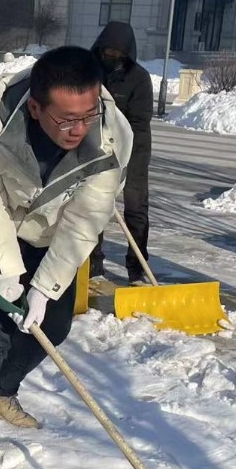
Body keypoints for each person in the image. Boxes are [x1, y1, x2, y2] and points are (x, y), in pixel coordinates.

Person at [0, 46, 132, 469]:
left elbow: (84, 223)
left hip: (56, 239)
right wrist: (8, 274)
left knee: (54, 324)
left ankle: (2, 390)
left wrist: (44, 288)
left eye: (87, 115)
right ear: (35, 107)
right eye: (65, 120)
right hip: (3, 229)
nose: (78, 129)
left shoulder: (110, 141)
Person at [88, 22, 153, 282]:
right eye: (106, 51)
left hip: (134, 149)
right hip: (95, 147)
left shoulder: (139, 78)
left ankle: (137, 269)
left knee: (135, 208)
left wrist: (119, 142)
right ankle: (93, 265)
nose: (110, 57)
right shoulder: (91, 72)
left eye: (116, 53)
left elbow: (139, 121)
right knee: (95, 204)